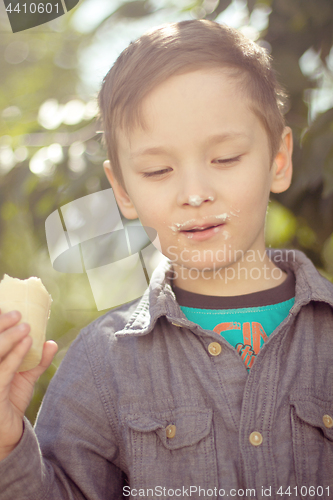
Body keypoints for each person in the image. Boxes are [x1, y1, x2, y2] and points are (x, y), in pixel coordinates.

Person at [0, 19, 333, 500]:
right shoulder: (103, 362)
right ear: (123, 190)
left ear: (278, 160)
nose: (194, 194)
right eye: (158, 170)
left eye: (225, 158)